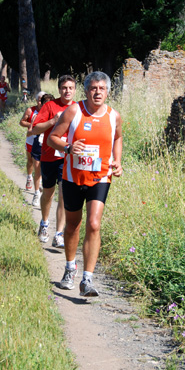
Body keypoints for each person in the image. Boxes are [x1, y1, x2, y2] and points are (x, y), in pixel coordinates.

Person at [48, 71, 122, 297]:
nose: (97, 92)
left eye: (102, 88)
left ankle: (87, 280)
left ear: (108, 91)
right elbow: (53, 138)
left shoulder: (113, 116)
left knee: (94, 223)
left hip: (100, 176)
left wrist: (117, 161)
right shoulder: (74, 111)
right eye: (93, 88)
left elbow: (117, 138)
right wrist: (68, 148)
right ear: (87, 91)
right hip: (72, 176)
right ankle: (70, 268)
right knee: (73, 225)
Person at [30, 75, 76, 247]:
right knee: (48, 194)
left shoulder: (78, 108)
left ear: (75, 90)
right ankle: (44, 223)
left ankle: (59, 233)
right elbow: (35, 129)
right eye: (64, 87)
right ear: (59, 89)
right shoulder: (50, 106)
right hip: (49, 155)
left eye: (71, 88)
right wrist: (53, 121)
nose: (67, 91)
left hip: (67, 157)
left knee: (64, 194)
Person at [19, 91, 46, 206]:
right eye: (39, 100)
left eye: (43, 100)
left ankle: (37, 187)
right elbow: (21, 122)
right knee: (30, 162)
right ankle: (30, 177)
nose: (41, 102)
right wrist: (31, 125)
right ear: (36, 100)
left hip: (42, 142)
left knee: (38, 165)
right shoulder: (31, 110)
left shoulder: (48, 110)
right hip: (31, 139)